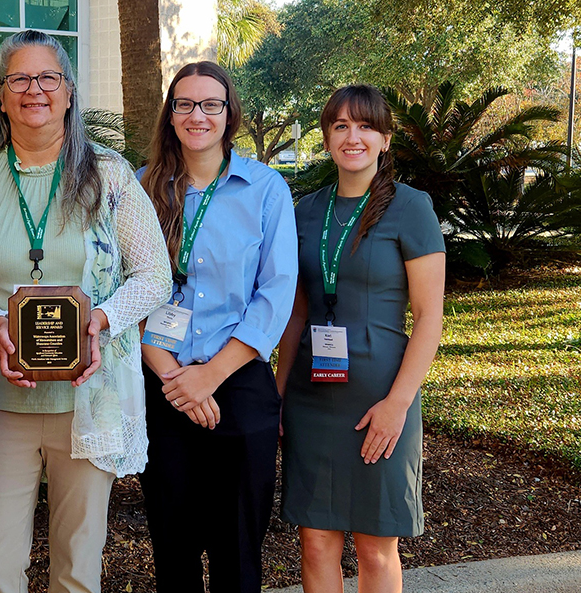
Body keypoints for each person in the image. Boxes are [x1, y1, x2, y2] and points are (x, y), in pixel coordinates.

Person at [0, 29, 171, 593]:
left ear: (67, 93)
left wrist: (99, 321)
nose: (33, 89)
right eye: (19, 78)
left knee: (78, 567)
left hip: (91, 401)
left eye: (48, 78)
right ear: (1, 94)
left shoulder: (109, 176)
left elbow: (154, 275)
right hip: (0, 399)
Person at [275, 84, 445, 593]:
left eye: (366, 126)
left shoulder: (411, 208)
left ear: (385, 139)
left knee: (375, 544)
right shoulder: (305, 210)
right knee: (316, 540)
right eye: (341, 126)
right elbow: (295, 314)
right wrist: (279, 393)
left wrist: (398, 403)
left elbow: (429, 315)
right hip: (310, 398)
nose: (354, 137)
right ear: (326, 137)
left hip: (381, 399)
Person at [137, 61, 298, 592]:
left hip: (240, 383)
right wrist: (173, 379)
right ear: (171, 114)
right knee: (173, 548)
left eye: (211, 104)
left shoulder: (265, 189)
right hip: (162, 385)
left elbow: (275, 294)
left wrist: (210, 376)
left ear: (229, 115)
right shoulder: (143, 188)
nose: (197, 115)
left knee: (237, 551)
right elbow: (126, 287)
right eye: (184, 104)